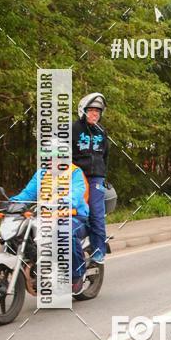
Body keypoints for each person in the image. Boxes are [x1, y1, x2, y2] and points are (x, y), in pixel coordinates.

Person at [11, 140, 89, 294]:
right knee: (19, 230)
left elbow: (77, 193)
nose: (51, 161)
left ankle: (77, 275)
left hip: (74, 216)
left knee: (64, 232)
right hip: (47, 217)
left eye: (55, 157)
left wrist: (63, 201)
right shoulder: (42, 173)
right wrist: (13, 203)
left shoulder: (75, 172)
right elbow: (27, 193)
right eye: (48, 157)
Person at [72, 93, 109, 264]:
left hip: (96, 178)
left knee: (96, 213)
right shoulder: (73, 128)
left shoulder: (102, 132)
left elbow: (105, 155)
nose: (95, 114)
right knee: (71, 210)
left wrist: (103, 175)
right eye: (92, 110)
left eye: (98, 112)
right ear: (83, 110)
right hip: (75, 175)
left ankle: (99, 250)